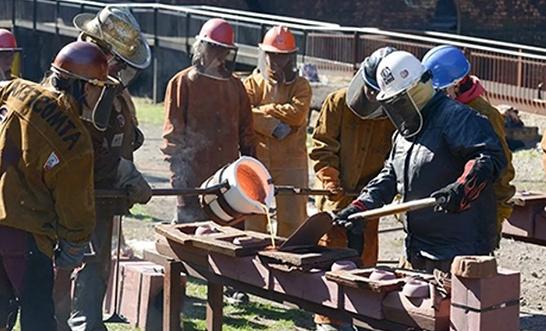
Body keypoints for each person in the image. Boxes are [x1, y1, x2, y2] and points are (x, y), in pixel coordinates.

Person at [334, 51, 506, 273]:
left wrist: (462, 188)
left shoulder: (457, 118)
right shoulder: (405, 132)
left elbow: (488, 157)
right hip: (417, 249)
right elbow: (390, 175)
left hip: (459, 251)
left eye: (399, 100)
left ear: (416, 89)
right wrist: (361, 205)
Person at [0, 41, 116, 331]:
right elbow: (75, 212)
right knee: (39, 319)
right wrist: (68, 260)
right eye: (97, 88)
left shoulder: (17, 89)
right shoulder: (76, 142)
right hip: (27, 238)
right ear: (83, 87)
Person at [65, 7, 153, 331]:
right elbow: (80, 148)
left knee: (97, 263)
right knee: (76, 263)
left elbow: (111, 127)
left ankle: (88, 321)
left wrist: (130, 136)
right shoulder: (77, 83)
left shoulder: (105, 83)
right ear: (104, 51)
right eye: (118, 62)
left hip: (100, 197)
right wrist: (123, 172)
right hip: (77, 198)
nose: (120, 71)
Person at [310, 47, 396, 331]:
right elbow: (322, 147)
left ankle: (360, 317)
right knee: (333, 260)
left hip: (370, 203)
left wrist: (378, 194)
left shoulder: (393, 114)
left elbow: (394, 160)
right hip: (336, 201)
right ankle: (329, 321)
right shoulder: (337, 103)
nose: (371, 98)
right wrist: (331, 181)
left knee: (364, 262)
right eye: (369, 91)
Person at [162, 18, 256, 223]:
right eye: (215, 48)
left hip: (229, 184)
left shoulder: (236, 87)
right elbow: (173, 139)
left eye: (224, 51)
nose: (220, 56)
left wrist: (250, 175)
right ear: (202, 47)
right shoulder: (182, 83)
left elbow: (247, 135)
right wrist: (181, 186)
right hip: (193, 181)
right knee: (192, 243)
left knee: (228, 244)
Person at [422, 45, 515, 244]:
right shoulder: (436, 110)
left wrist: (496, 218)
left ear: (456, 84)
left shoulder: (484, 115)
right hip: (439, 211)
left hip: (472, 216)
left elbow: (502, 170)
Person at [243, 25, 311, 238]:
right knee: (254, 217)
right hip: (259, 160)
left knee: (293, 222)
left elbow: (297, 114)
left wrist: (264, 110)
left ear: (291, 57)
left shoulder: (301, 86)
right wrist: (273, 126)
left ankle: (290, 264)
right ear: (264, 55)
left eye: (282, 56)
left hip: (292, 163)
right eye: (272, 55)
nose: (276, 61)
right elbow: (244, 113)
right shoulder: (252, 84)